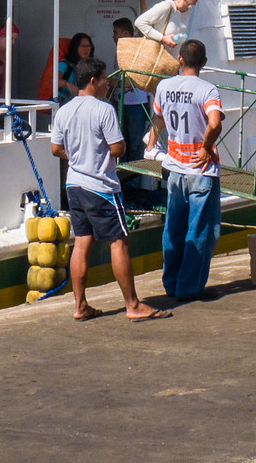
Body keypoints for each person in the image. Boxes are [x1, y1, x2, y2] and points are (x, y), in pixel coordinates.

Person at [49, 59, 169, 322]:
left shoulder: (63, 111)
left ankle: (80, 306)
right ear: (93, 81)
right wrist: (97, 152)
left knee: (81, 243)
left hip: (74, 185)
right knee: (119, 243)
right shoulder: (104, 110)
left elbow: (56, 149)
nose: (108, 84)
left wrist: (79, 155)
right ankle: (133, 305)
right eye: (104, 79)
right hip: (100, 186)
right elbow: (118, 149)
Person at [150, 39, 224, 301]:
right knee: (201, 230)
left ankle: (170, 283)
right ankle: (189, 287)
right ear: (203, 63)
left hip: (174, 169)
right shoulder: (208, 90)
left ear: (179, 60)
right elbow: (214, 122)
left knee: (173, 228)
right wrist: (206, 146)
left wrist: (150, 145)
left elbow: (158, 119)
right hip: (200, 171)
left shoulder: (164, 86)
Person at [111, 19, 151, 184]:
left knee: (135, 145)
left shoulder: (138, 48)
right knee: (122, 145)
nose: (113, 36)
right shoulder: (118, 51)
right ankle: (123, 184)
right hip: (121, 103)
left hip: (137, 104)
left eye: (115, 32)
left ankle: (133, 185)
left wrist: (143, 1)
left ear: (125, 33)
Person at [135, 0, 204, 46]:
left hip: (175, 56)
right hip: (160, 55)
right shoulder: (167, 6)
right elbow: (139, 22)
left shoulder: (189, 10)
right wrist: (162, 38)